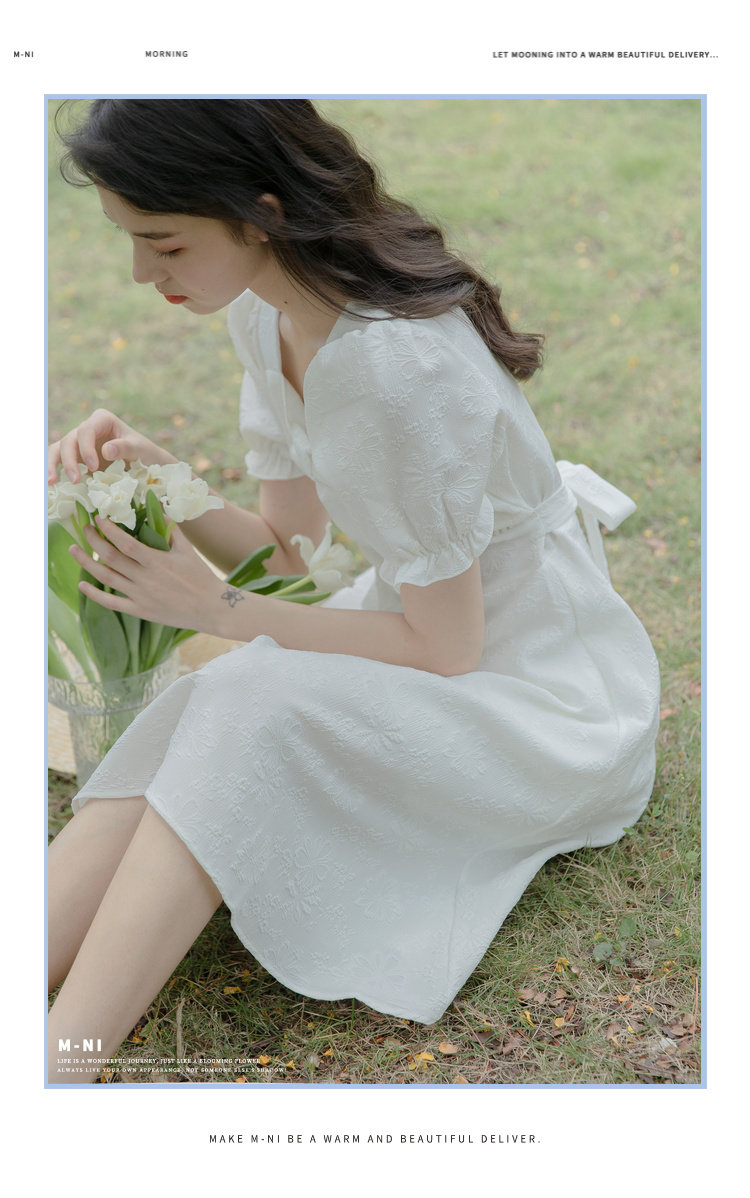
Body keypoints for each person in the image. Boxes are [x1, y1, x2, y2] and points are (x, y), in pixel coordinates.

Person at [47, 99, 660, 1084]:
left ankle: (58, 1063)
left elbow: (449, 648)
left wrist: (213, 610)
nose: (140, 274)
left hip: (536, 692)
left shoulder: (394, 369)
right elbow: (291, 553)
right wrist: (155, 471)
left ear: (259, 215)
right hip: (415, 627)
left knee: (243, 692)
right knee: (221, 698)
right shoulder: (269, 314)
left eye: (163, 243)